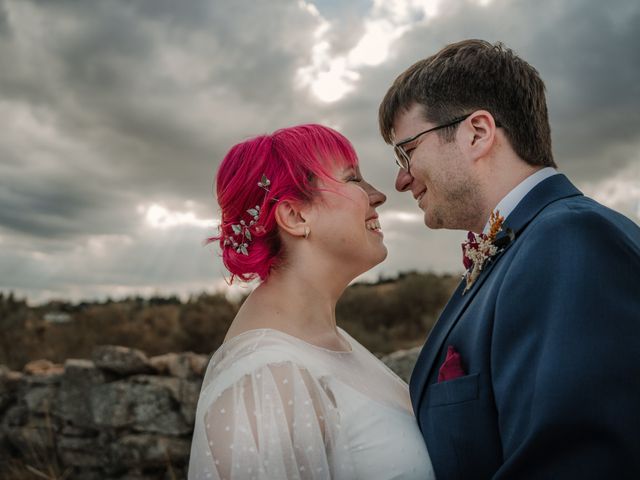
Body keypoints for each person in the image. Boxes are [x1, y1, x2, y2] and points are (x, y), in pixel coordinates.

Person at [378, 39, 640, 479]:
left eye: (407, 151)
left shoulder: (570, 240)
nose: (401, 179)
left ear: (477, 133)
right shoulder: (524, 246)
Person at [188, 124, 435, 479]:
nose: (378, 195)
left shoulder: (332, 343)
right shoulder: (266, 379)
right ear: (295, 216)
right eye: (353, 179)